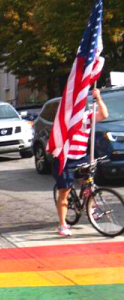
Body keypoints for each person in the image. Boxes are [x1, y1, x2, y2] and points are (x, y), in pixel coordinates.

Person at [57, 87, 109, 236]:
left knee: (89, 183)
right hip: (66, 158)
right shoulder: (65, 117)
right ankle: (62, 225)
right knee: (64, 192)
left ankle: (89, 207)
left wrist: (98, 98)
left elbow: (104, 115)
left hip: (81, 156)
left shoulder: (87, 116)